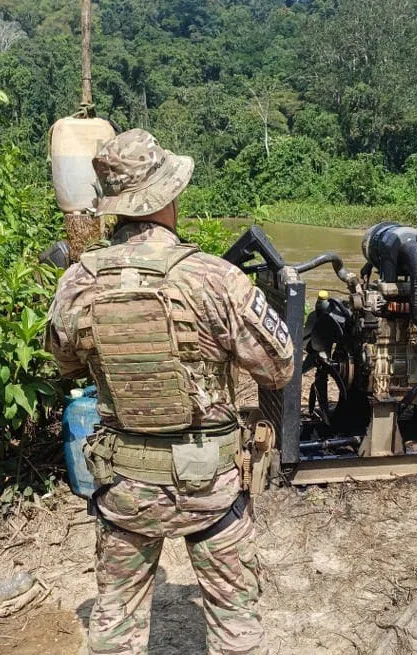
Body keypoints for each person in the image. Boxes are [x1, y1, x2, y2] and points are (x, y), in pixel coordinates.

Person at [46, 128, 294, 655]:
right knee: (237, 631)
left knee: (114, 633)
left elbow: (63, 364)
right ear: (169, 196)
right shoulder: (215, 279)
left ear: (115, 208)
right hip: (211, 491)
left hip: (124, 489)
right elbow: (279, 367)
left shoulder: (77, 282)